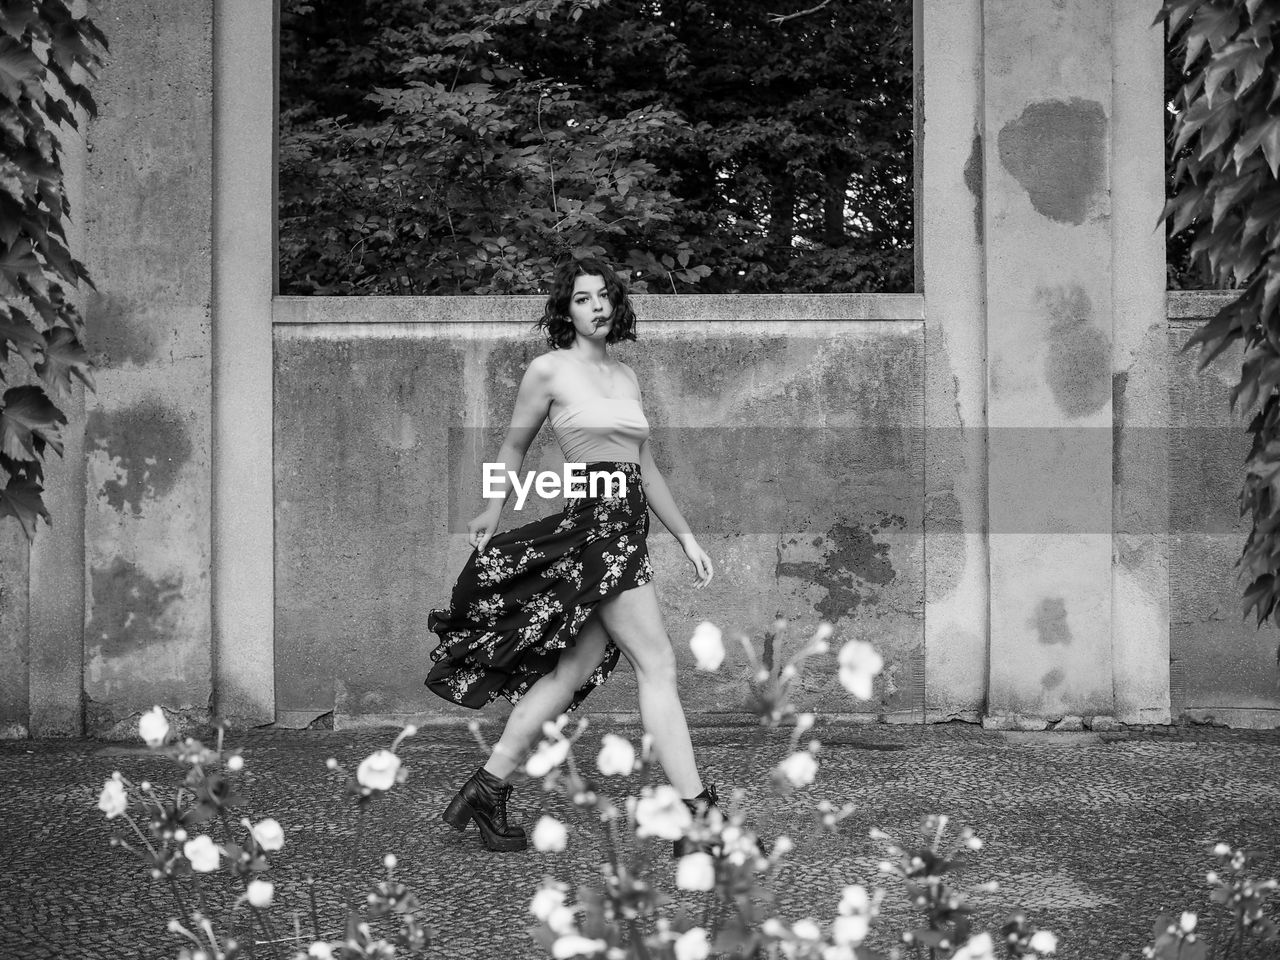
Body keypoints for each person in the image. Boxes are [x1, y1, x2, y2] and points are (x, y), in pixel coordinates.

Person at [426, 257, 718, 855]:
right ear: (567, 309)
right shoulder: (549, 370)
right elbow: (513, 444)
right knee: (657, 664)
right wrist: (493, 508)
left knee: (573, 672)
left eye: (605, 296)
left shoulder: (627, 377)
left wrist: (686, 537)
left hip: (626, 525)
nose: (598, 307)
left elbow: (645, 467)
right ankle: (700, 822)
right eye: (583, 299)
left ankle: (487, 787)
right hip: (596, 527)